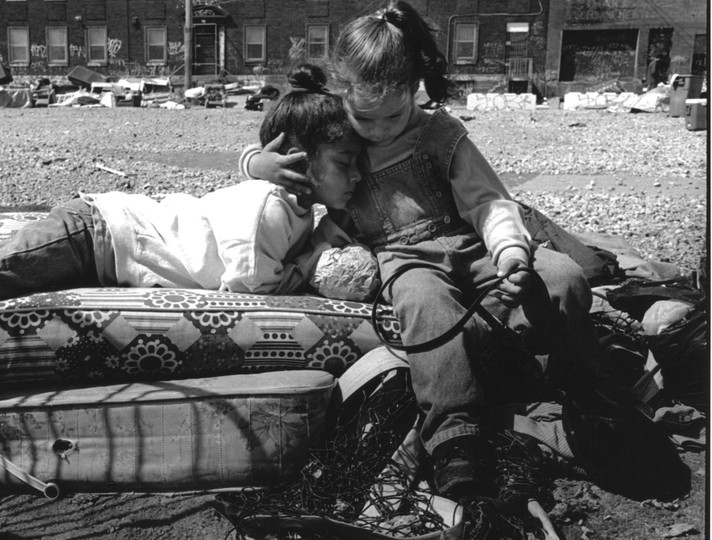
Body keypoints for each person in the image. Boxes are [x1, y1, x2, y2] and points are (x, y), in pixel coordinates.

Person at [240, 0, 599, 518]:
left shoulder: (439, 134)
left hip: (471, 246)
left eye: (393, 115)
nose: (380, 130)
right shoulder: (343, 133)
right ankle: (455, 437)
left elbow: (488, 202)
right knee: (426, 305)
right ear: (344, 92)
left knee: (563, 278)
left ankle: (556, 385)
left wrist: (514, 254)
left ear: (414, 89)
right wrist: (256, 162)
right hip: (406, 260)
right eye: (367, 117)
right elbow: (275, 145)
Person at [0, 66, 362, 313]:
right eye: (346, 162)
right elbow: (252, 286)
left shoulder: (279, 201)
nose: (358, 176)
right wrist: (318, 249)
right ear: (303, 162)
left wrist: (261, 168)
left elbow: (249, 172)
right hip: (97, 234)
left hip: (104, 252)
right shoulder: (269, 211)